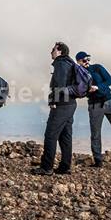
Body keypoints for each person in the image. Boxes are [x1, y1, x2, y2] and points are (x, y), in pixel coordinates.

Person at [36, 41, 78, 175]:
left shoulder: (60, 63)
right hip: (70, 104)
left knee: (50, 135)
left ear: (59, 51)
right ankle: (65, 166)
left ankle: (46, 167)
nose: (51, 52)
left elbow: (59, 85)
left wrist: (53, 101)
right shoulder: (70, 63)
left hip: (61, 105)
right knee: (65, 136)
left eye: (53, 49)